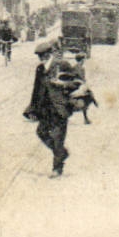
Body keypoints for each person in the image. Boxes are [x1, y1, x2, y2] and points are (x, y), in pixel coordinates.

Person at [25, 38, 82, 178]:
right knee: (41, 132)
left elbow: (77, 82)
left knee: (58, 138)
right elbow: (36, 90)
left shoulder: (62, 65)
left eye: (43, 56)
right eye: (40, 57)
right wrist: (31, 109)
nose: (41, 59)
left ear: (49, 54)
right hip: (45, 109)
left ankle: (57, 168)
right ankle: (62, 153)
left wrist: (61, 84)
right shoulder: (40, 69)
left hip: (60, 108)